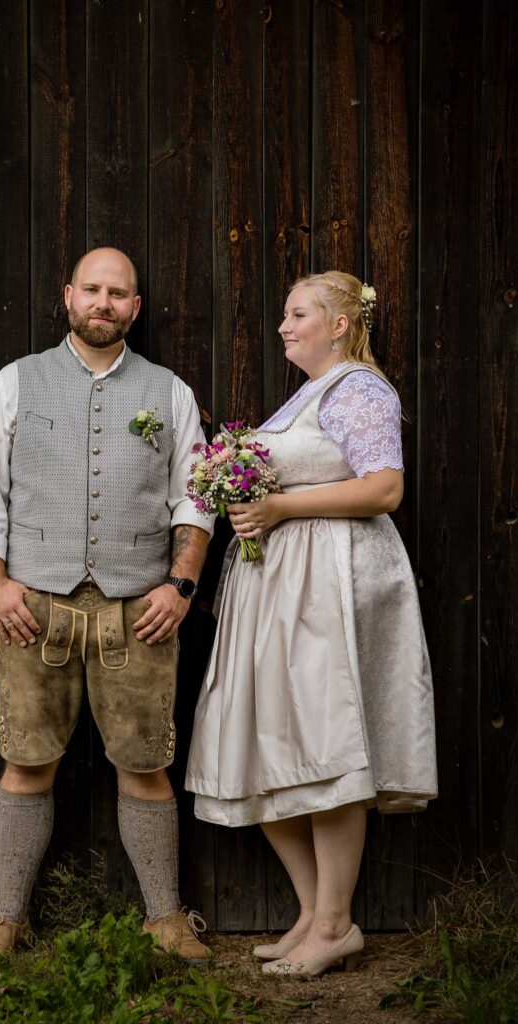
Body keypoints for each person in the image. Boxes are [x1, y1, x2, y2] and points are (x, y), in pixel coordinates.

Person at [0, 247, 213, 965]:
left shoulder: (169, 392)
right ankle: (5, 921)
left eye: (118, 293)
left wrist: (180, 585)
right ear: (68, 295)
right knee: (25, 760)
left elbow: (196, 498)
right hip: (32, 608)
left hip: (141, 612)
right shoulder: (15, 382)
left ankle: (165, 919)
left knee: (145, 763)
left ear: (135, 307)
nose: (104, 303)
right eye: (92, 289)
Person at [185, 271, 437, 977]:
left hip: (327, 581)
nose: (283, 327)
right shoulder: (309, 393)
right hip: (278, 587)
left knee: (325, 743)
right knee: (270, 740)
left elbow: (384, 488)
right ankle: (312, 913)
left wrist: (279, 507)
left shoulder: (359, 388)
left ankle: (333, 924)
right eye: (284, 315)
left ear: (339, 324)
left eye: (297, 314)